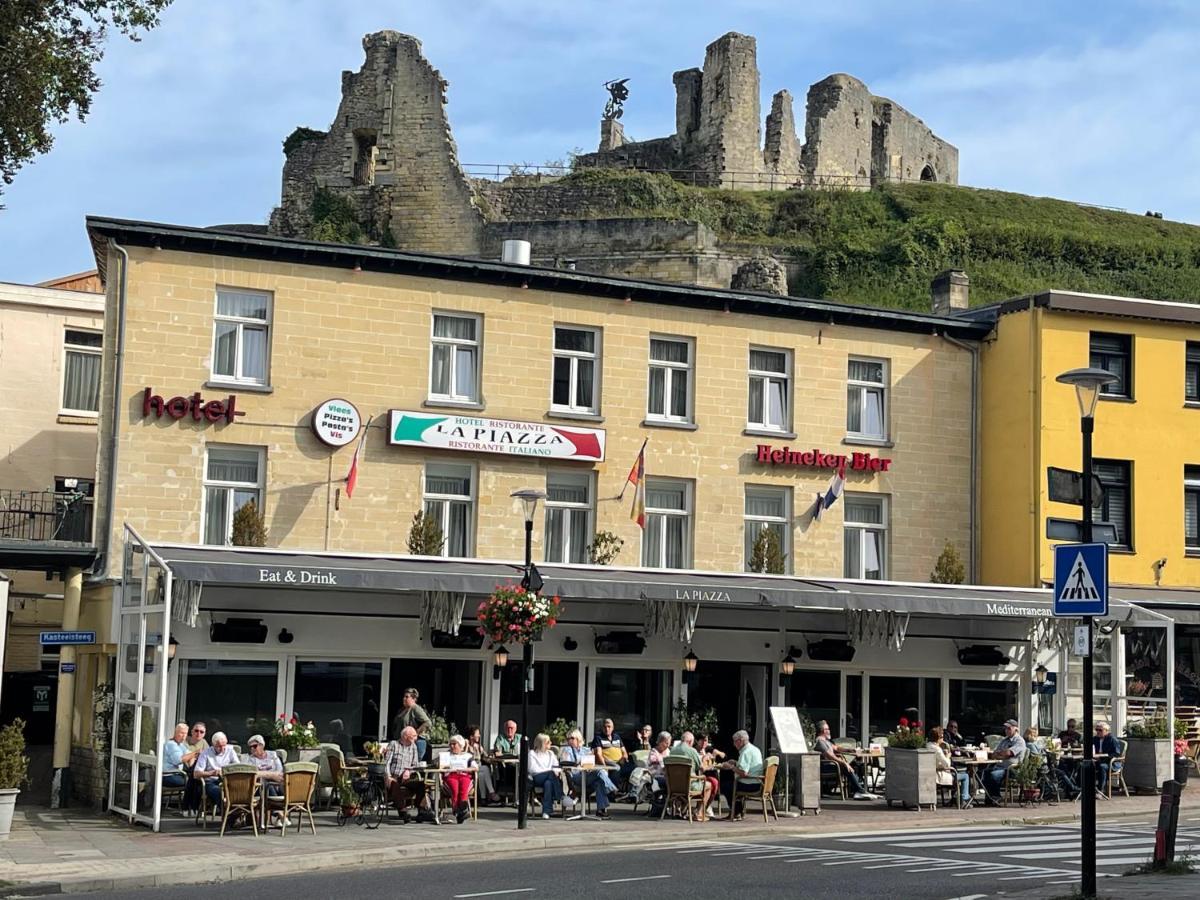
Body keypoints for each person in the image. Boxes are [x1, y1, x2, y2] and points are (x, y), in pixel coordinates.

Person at [813, 720, 875, 800]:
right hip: (825, 766)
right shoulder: (820, 742)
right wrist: (844, 763)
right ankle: (860, 791)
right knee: (845, 767)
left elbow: (837, 748)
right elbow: (830, 756)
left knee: (855, 765)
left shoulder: (826, 741)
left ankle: (857, 791)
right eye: (827, 729)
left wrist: (850, 750)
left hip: (832, 764)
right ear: (822, 731)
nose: (829, 731)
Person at [560, 728, 615, 818]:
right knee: (600, 772)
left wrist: (590, 759)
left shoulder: (586, 750)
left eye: (572, 738)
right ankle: (610, 788)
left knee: (599, 782)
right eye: (568, 738)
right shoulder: (567, 750)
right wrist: (578, 762)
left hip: (588, 775)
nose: (569, 740)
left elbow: (591, 762)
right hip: (576, 776)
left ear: (578, 739)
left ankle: (601, 810)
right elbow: (564, 762)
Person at [667, 731, 717, 821]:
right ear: (690, 742)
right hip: (689, 785)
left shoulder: (672, 750)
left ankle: (682, 810)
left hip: (673, 786)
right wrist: (710, 766)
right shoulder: (692, 751)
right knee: (709, 785)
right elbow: (702, 768)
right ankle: (698, 812)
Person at [382, 726, 427, 821]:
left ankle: (421, 811)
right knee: (394, 784)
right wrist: (388, 776)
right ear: (406, 736)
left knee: (421, 785)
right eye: (414, 736)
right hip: (393, 776)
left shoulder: (413, 746)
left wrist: (409, 771)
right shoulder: (394, 744)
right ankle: (402, 811)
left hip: (406, 777)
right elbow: (386, 763)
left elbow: (415, 764)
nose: (416, 738)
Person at [720, 729, 766, 818]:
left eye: (735, 741)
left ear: (740, 741)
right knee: (731, 784)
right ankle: (738, 811)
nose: (734, 744)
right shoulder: (755, 749)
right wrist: (736, 763)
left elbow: (743, 773)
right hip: (758, 782)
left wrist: (731, 767)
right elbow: (749, 766)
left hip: (750, 784)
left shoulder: (745, 752)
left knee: (725, 786)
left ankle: (736, 812)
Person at [982, 719, 1027, 804]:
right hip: (999, 766)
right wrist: (1001, 754)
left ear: (1015, 729)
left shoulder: (1019, 741)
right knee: (984, 773)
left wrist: (1002, 754)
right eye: (1005, 728)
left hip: (1012, 769)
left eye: (1009, 728)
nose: (1006, 730)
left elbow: (1009, 753)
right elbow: (994, 754)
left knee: (994, 775)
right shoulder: (1004, 740)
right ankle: (990, 796)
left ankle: (996, 796)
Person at [192, 731, 239, 809]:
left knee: (241, 790)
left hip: (227, 781)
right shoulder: (205, 753)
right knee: (219, 792)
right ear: (213, 745)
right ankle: (227, 814)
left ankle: (236, 813)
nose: (222, 748)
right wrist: (211, 773)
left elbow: (238, 767)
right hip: (211, 781)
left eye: (224, 745)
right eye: (219, 746)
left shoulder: (230, 750)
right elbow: (196, 774)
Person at [439, 734, 478, 824]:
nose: (452, 746)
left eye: (454, 744)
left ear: (460, 745)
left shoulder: (467, 756)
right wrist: (444, 766)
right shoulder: (446, 755)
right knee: (455, 789)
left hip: (464, 774)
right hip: (451, 775)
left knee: (463, 789)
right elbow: (439, 767)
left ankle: (461, 811)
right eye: (450, 744)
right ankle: (458, 811)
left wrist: (464, 769)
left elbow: (475, 768)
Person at [928, 726, 970, 806]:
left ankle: (955, 797)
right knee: (965, 776)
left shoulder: (928, 746)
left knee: (958, 774)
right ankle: (963, 800)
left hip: (931, 773)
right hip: (939, 774)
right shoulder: (937, 749)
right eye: (942, 737)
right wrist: (947, 755)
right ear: (938, 738)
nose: (943, 739)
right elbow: (947, 764)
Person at [528, 733, 564, 819]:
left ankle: (546, 812)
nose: (551, 743)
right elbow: (532, 769)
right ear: (542, 743)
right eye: (548, 742)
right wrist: (549, 772)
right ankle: (560, 796)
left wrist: (556, 771)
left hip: (550, 778)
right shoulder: (532, 754)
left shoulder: (551, 753)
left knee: (548, 783)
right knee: (550, 774)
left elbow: (557, 766)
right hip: (537, 777)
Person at [390, 688, 432, 759]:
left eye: (407, 697)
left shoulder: (415, 708)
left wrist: (415, 733)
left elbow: (428, 722)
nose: (404, 698)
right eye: (404, 696)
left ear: (413, 698)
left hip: (412, 745)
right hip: (400, 743)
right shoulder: (401, 710)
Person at [466, 725, 500, 805]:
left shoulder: (478, 746)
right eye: (477, 733)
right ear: (471, 736)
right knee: (485, 768)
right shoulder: (466, 746)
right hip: (470, 770)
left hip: (478, 770)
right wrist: (468, 747)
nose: (479, 735)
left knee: (481, 774)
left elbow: (485, 757)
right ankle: (492, 792)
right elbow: (465, 758)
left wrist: (491, 757)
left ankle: (483, 799)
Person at [591, 718, 632, 785]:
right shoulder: (598, 738)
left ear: (612, 728)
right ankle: (613, 791)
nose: (607, 729)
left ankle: (632, 793)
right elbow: (598, 754)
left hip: (620, 762)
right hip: (608, 762)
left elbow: (624, 752)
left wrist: (623, 758)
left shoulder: (617, 737)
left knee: (635, 768)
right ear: (602, 728)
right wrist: (604, 767)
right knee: (617, 768)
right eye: (605, 727)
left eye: (609, 727)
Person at [245, 734, 284, 798]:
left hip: (277, 782)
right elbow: (252, 773)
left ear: (262, 745)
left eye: (254, 746)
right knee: (266, 783)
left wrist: (263, 773)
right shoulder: (249, 759)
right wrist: (271, 775)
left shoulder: (272, 755)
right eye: (250, 747)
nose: (252, 748)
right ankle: (275, 802)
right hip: (260, 786)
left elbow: (280, 770)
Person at [1093, 721, 1122, 793]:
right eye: (1096, 730)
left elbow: (1116, 753)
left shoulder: (1112, 739)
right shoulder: (1095, 739)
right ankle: (1078, 788)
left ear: (1106, 731)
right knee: (1082, 765)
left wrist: (1104, 756)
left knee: (1102, 767)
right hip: (1097, 760)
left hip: (1110, 762)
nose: (1098, 732)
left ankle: (1100, 790)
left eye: (1100, 730)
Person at [162, 723, 190, 790]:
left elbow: (189, 754)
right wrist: (195, 753)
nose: (184, 736)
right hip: (168, 776)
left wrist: (193, 758)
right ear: (175, 733)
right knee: (193, 783)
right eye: (182, 733)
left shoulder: (180, 745)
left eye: (185, 734)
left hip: (177, 774)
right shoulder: (171, 744)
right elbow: (178, 760)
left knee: (194, 781)